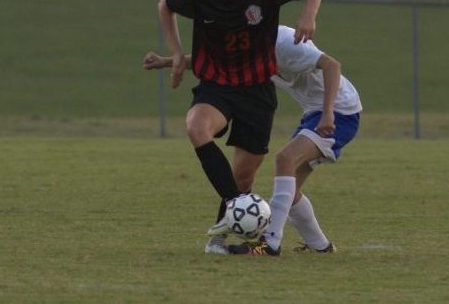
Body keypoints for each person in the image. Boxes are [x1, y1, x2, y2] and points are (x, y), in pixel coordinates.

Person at [156, 0, 323, 250]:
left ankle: (225, 226)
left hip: (257, 92)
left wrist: (308, 15)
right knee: (196, 126)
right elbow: (165, 6)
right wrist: (176, 53)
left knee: (242, 178)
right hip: (216, 87)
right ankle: (236, 216)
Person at [143, 25, 362, 255]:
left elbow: (332, 65)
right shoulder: (249, 44)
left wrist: (328, 114)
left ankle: (270, 243)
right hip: (314, 112)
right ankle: (321, 245)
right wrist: (167, 62)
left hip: (340, 112)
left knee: (284, 159)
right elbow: (212, 61)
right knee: (291, 190)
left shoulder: (286, 43)